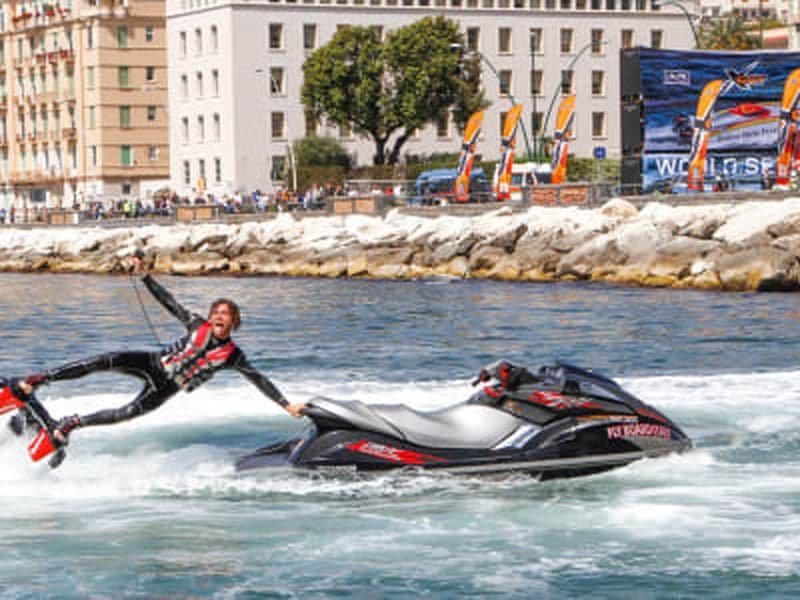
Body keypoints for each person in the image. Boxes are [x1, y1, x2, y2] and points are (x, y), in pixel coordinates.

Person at [16, 252, 306, 444]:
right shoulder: (196, 324)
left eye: (225, 314)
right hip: (153, 363)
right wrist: (144, 276)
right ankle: (39, 379)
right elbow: (168, 302)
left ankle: (70, 424)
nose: (218, 316)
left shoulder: (233, 356)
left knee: (127, 413)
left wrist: (286, 405)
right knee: (103, 361)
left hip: (166, 388)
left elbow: (260, 381)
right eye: (215, 311)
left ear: (234, 322)